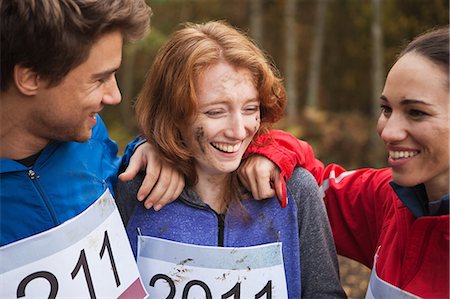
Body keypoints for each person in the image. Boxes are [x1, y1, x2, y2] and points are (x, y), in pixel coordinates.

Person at [116, 21, 346, 298]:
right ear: (173, 114)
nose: (239, 131)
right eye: (215, 112)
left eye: (250, 109)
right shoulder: (135, 190)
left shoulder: (294, 190)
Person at [239, 26, 449, 298]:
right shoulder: (390, 197)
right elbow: (313, 184)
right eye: (386, 109)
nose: (388, 131)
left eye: (417, 113)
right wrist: (269, 152)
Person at [0, 1, 182, 297]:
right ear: (31, 77)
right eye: (99, 79)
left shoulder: (89, 132)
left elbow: (118, 177)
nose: (115, 95)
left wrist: (154, 150)